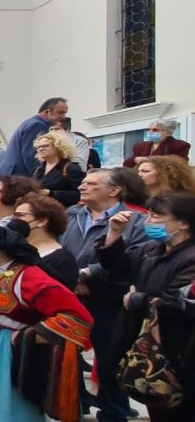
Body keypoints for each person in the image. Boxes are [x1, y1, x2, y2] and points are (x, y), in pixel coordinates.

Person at [0, 221, 93, 422]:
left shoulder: (29, 277)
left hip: (2, 354)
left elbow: (77, 318)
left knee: (3, 406)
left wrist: (27, 337)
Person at [97, 193, 195, 420]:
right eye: (149, 215)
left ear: (184, 222)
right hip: (149, 344)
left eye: (158, 217)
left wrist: (138, 300)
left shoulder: (190, 257)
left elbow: (183, 301)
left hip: (180, 348)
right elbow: (119, 270)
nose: (149, 221)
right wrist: (114, 235)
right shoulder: (153, 248)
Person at [61, 168, 149, 422]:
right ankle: (77, 405)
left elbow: (134, 261)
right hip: (69, 295)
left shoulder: (135, 221)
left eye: (91, 183)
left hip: (107, 299)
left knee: (110, 361)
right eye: (83, 182)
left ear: (114, 191)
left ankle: (113, 413)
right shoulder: (71, 215)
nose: (81, 186)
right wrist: (70, 277)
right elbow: (58, 248)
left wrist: (88, 274)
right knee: (66, 357)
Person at [13, 193, 78, 289]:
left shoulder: (62, 259)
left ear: (41, 221)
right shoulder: (13, 248)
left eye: (20, 216)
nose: (14, 220)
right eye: (14, 215)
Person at [0, 97, 69, 176]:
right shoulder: (38, 125)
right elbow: (33, 155)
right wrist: (40, 178)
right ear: (46, 112)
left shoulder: (31, 122)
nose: (64, 117)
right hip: (18, 177)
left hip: (11, 175)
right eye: (60, 113)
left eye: (65, 113)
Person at [31, 131, 85, 209]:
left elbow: (79, 193)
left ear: (58, 147)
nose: (41, 149)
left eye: (45, 146)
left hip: (65, 211)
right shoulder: (37, 170)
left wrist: (50, 193)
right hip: (41, 210)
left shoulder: (70, 168)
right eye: (38, 147)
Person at [123, 118, 191, 168]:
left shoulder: (179, 145)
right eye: (149, 129)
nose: (150, 132)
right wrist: (135, 159)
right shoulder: (141, 146)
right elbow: (127, 163)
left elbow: (180, 165)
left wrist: (150, 160)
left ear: (168, 133)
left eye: (155, 130)